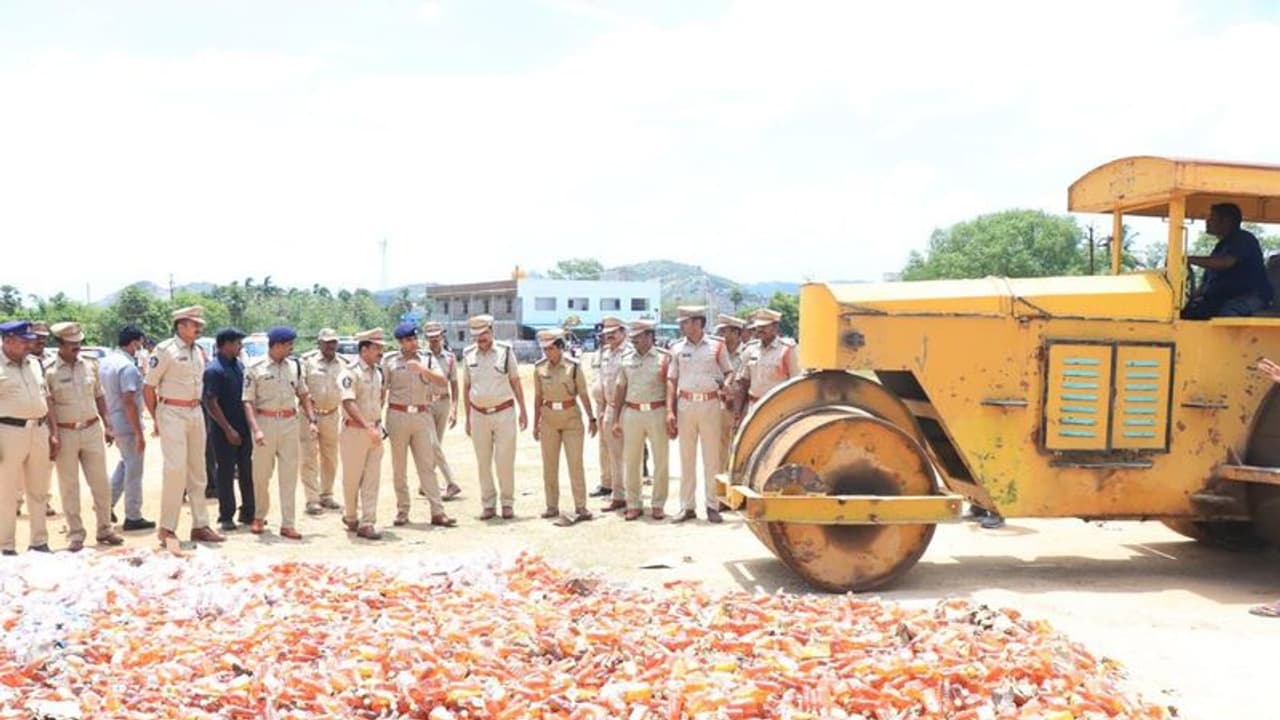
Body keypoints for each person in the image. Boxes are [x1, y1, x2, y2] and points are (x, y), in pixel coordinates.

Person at [143, 305, 225, 546]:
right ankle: (167, 528)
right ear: (180, 325)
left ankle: (200, 525)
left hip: (195, 411)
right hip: (172, 412)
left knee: (198, 470)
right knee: (175, 471)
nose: (199, 328)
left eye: (200, 324)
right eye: (194, 324)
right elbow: (149, 387)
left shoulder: (198, 351)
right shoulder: (165, 350)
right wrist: (157, 418)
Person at [45, 322, 124, 551]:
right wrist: (54, 434)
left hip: (91, 429)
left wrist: (108, 425)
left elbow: (99, 396)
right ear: (60, 344)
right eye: (71, 345)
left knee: (101, 483)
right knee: (69, 486)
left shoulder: (90, 366)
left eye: (78, 343)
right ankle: (76, 535)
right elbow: (48, 404)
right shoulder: (49, 371)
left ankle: (105, 529)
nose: (76, 348)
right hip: (66, 431)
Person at [243, 326, 315, 539]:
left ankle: (288, 523)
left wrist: (312, 419)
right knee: (261, 475)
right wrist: (255, 429)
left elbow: (303, 394)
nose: (292, 349)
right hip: (265, 422)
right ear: (276, 345)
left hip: (289, 423)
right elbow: (247, 401)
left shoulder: (294, 366)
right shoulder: (255, 367)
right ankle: (259, 516)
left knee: (288, 476)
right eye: (289, 345)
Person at [383, 321, 455, 528]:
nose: (413, 343)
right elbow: (382, 389)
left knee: (426, 465)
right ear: (400, 342)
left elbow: (442, 382)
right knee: (399, 467)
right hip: (397, 415)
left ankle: (437, 511)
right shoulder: (390, 361)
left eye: (414, 338)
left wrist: (423, 370)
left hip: (423, 414)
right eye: (408, 340)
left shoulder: (427, 358)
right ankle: (402, 511)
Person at [667, 306, 734, 523]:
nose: (682, 326)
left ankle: (712, 505)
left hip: (711, 404)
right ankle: (687, 506)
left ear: (697, 323)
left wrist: (727, 385)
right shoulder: (676, 348)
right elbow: (672, 379)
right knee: (686, 458)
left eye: (685, 322)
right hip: (685, 404)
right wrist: (670, 411)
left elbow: (729, 371)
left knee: (711, 458)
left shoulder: (717, 346)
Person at [462, 314, 527, 520]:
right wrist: (467, 417)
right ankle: (488, 504)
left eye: (484, 334)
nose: (480, 339)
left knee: (504, 460)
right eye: (477, 336)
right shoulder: (468, 354)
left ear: (492, 330)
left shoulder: (506, 352)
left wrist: (523, 410)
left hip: (504, 413)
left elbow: (516, 382)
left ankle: (507, 503)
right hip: (478, 415)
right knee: (483, 462)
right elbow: (466, 386)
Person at [0, 321, 54, 555]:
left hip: (39, 430)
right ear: (7, 340)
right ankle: (6, 546)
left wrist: (53, 433)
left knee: (39, 489)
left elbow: (46, 397)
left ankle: (39, 542)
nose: (28, 345)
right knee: (6, 492)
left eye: (29, 341)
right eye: (23, 341)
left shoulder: (34, 363)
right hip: (8, 432)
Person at [532, 328, 596, 523]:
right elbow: (538, 397)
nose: (547, 353)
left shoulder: (573, 367)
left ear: (560, 347)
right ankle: (551, 506)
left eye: (551, 348)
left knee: (575, 463)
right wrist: (536, 423)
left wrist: (591, 418)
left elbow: (583, 394)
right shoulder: (539, 368)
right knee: (549, 465)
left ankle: (581, 507)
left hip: (571, 419)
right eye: (545, 349)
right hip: (549, 419)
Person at [611, 319, 671, 520]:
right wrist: (616, 419)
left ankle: (658, 504)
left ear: (649, 336)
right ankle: (634, 503)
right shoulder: (626, 358)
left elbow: (672, 388)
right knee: (632, 460)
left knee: (661, 460)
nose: (634, 341)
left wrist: (672, 415)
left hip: (657, 411)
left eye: (637, 337)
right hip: (632, 413)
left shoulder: (664, 358)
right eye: (632, 337)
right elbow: (620, 388)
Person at [101, 324, 155, 531]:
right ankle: (133, 516)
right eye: (140, 344)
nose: (140, 348)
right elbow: (129, 401)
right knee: (134, 471)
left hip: (116, 419)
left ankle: (107, 505)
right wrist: (139, 433)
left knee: (125, 465)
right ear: (134, 343)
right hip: (128, 422)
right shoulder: (128, 367)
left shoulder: (107, 362)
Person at [1183, 202, 1274, 319]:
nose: (1207, 221)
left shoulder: (1244, 239)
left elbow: (1225, 262)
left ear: (1226, 221)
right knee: (1190, 312)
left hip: (1251, 296)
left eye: (1212, 218)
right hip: (1225, 297)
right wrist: (1190, 300)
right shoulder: (1221, 247)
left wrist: (1188, 259)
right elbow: (1207, 284)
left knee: (1228, 313)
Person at [203, 327, 253, 532]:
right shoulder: (214, 370)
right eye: (237, 343)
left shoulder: (238, 366)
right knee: (224, 472)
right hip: (223, 430)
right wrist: (227, 429)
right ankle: (226, 515)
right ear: (225, 344)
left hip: (242, 426)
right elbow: (211, 402)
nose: (240, 346)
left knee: (246, 470)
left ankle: (248, 512)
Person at [339, 328, 387, 539]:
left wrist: (377, 425)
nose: (381, 352)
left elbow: (379, 400)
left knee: (372, 479)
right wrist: (367, 426)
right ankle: (350, 515)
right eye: (377, 348)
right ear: (364, 349)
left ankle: (367, 522)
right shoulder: (350, 372)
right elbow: (348, 402)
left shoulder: (378, 372)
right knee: (352, 478)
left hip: (374, 432)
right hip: (354, 432)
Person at [299, 328, 346, 515]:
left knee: (330, 457)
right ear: (319, 343)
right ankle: (312, 499)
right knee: (309, 457)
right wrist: (311, 416)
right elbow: (302, 390)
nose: (330, 346)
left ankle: (326, 494)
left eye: (333, 342)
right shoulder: (307, 362)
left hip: (332, 415)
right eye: (326, 342)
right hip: (308, 416)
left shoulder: (343, 364)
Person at [16, 321, 56, 518]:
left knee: (45, 466)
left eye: (44, 337)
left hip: (46, 420)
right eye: (37, 337)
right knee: (17, 464)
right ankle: (16, 501)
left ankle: (44, 502)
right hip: (19, 423)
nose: (41, 340)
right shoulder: (21, 360)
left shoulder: (52, 360)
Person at [421, 321, 462, 501]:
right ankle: (451, 482)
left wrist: (454, 408)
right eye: (430, 338)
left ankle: (425, 483)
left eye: (436, 337)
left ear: (442, 336)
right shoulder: (421, 357)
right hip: (426, 403)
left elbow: (454, 384)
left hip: (443, 402)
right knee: (432, 444)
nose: (434, 341)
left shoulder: (450, 358)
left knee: (436, 444)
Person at [735, 308, 801, 416]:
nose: (760, 330)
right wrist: (738, 412)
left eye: (764, 326)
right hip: (754, 407)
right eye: (758, 327)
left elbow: (797, 384)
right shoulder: (751, 350)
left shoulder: (788, 350)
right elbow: (743, 383)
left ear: (775, 327)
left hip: (778, 408)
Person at [595, 316, 628, 512]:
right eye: (606, 334)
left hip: (626, 409)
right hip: (608, 408)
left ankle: (632, 496)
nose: (609, 337)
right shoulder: (605, 353)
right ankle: (618, 495)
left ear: (623, 333)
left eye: (613, 333)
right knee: (613, 455)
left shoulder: (630, 353)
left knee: (630, 456)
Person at [713, 314, 747, 478]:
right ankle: (721, 488)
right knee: (720, 450)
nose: (720, 335)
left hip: (741, 409)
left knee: (741, 448)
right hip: (720, 406)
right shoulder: (715, 354)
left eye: (724, 331)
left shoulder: (748, 353)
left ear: (735, 332)